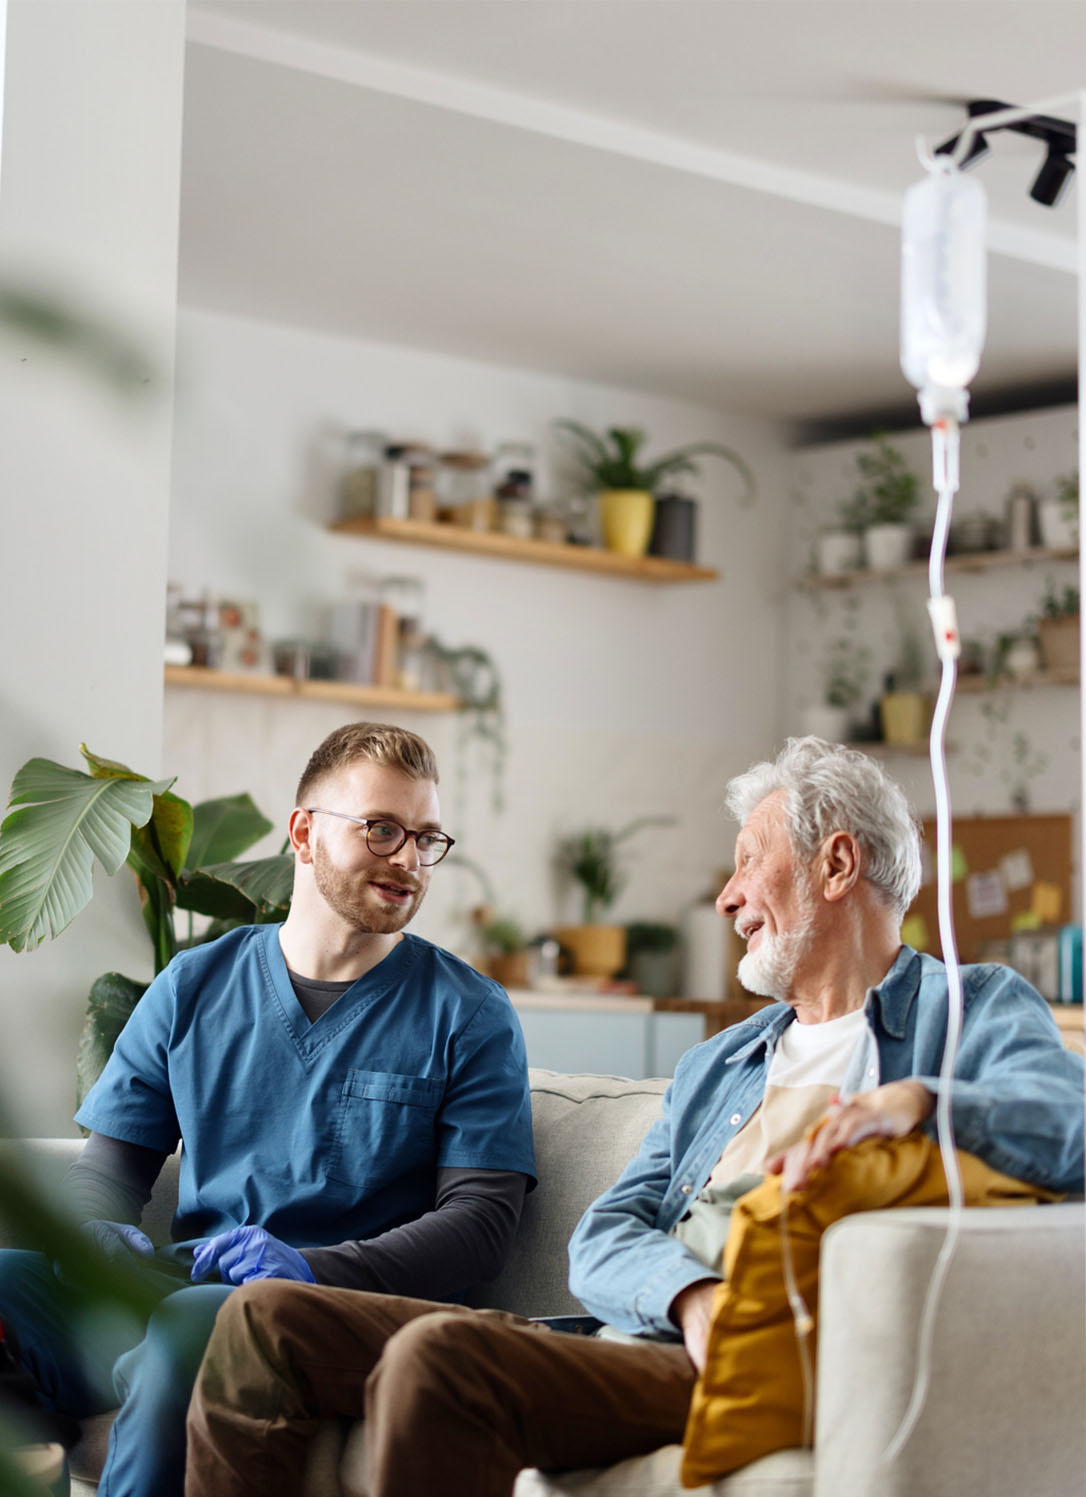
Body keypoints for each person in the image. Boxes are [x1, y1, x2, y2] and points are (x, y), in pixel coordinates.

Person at [183, 736, 1086, 1497]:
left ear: (838, 864)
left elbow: (1071, 1128)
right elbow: (605, 1233)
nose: (727, 897)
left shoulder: (965, 1010)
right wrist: (689, 1293)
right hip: (652, 1330)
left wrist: (923, 1100)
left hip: (765, 1358)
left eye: (746, 862)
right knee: (267, 1319)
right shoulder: (723, 1061)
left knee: (441, 1362)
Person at [0, 722, 536, 1497]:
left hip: (339, 1314)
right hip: (189, 1288)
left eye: (426, 838)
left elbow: (482, 1224)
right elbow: (110, 1170)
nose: (408, 859)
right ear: (304, 832)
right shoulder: (192, 987)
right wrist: (94, 1229)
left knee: (199, 1331)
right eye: (381, 829)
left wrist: (313, 1266)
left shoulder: (469, 1013)